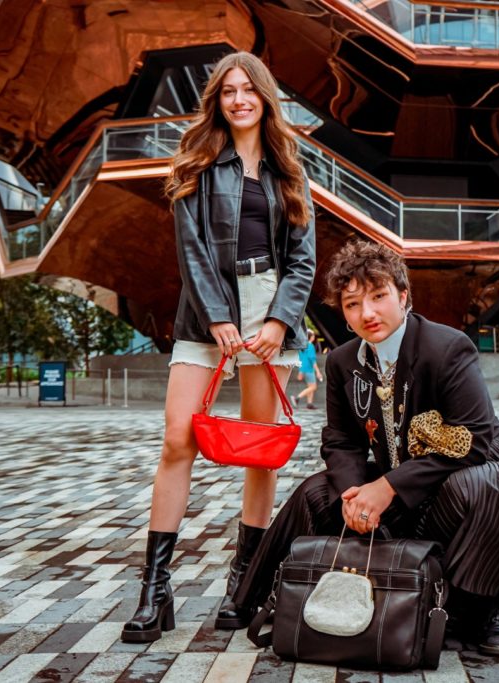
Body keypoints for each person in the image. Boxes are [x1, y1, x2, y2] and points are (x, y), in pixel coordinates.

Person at [233, 241, 499, 655]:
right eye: (353, 304)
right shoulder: (341, 362)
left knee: (475, 487)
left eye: (378, 296)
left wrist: (388, 487)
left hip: (483, 464)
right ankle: (264, 593)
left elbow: (475, 439)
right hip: (413, 475)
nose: (367, 313)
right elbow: (341, 442)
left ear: (403, 296)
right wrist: (355, 496)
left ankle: (495, 602)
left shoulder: (447, 347)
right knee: (319, 492)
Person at [121, 51, 315, 643]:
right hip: (206, 315)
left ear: (264, 97)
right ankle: (155, 591)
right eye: (227, 91)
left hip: (268, 308)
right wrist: (219, 320)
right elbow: (192, 254)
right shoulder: (196, 163)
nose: (238, 100)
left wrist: (279, 322)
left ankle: (245, 582)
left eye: (248, 90)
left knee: (258, 451)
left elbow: (303, 261)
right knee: (178, 439)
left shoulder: (290, 170)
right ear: (217, 100)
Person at [292, 330, 322, 409]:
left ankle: (309, 404)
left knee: (310, 386)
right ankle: (297, 398)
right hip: (309, 369)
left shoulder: (302, 346)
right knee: (313, 387)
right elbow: (312, 360)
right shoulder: (310, 346)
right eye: (313, 336)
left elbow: (301, 358)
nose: (314, 337)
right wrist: (318, 372)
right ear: (311, 337)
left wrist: (300, 370)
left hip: (303, 368)